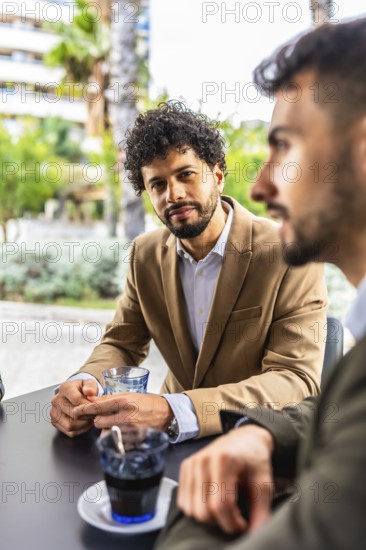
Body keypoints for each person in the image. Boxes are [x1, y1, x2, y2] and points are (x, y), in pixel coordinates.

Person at [154, 17, 366, 550]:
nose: (262, 183)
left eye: (284, 146)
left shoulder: (282, 259)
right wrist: (261, 433)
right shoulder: (146, 255)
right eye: (156, 184)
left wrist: (189, 508)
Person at [50, 102, 326, 441]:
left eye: (186, 175)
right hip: (165, 442)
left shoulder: (290, 254)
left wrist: (174, 410)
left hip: (253, 440)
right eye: (158, 184)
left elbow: (294, 378)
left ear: (218, 176)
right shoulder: (145, 254)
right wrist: (87, 383)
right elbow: (122, 343)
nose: (174, 194)